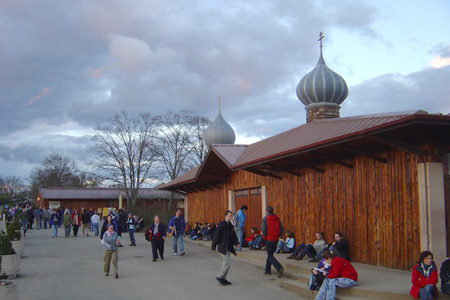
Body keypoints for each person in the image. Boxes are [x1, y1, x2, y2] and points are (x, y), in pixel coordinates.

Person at [211, 210, 239, 285]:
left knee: (227, 262)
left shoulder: (230, 225)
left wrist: (237, 243)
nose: (231, 217)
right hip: (223, 246)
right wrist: (213, 246)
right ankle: (220, 276)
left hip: (228, 246)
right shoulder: (221, 225)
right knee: (227, 262)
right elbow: (216, 235)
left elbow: (233, 235)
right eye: (229, 216)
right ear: (225, 216)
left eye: (231, 216)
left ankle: (223, 278)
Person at [262, 206, 284, 277]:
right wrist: (279, 235)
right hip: (275, 238)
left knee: (270, 255)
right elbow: (281, 228)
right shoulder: (277, 218)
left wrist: (265, 236)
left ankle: (279, 267)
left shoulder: (265, 219)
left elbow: (264, 229)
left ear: (267, 211)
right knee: (270, 254)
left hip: (269, 238)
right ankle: (267, 269)